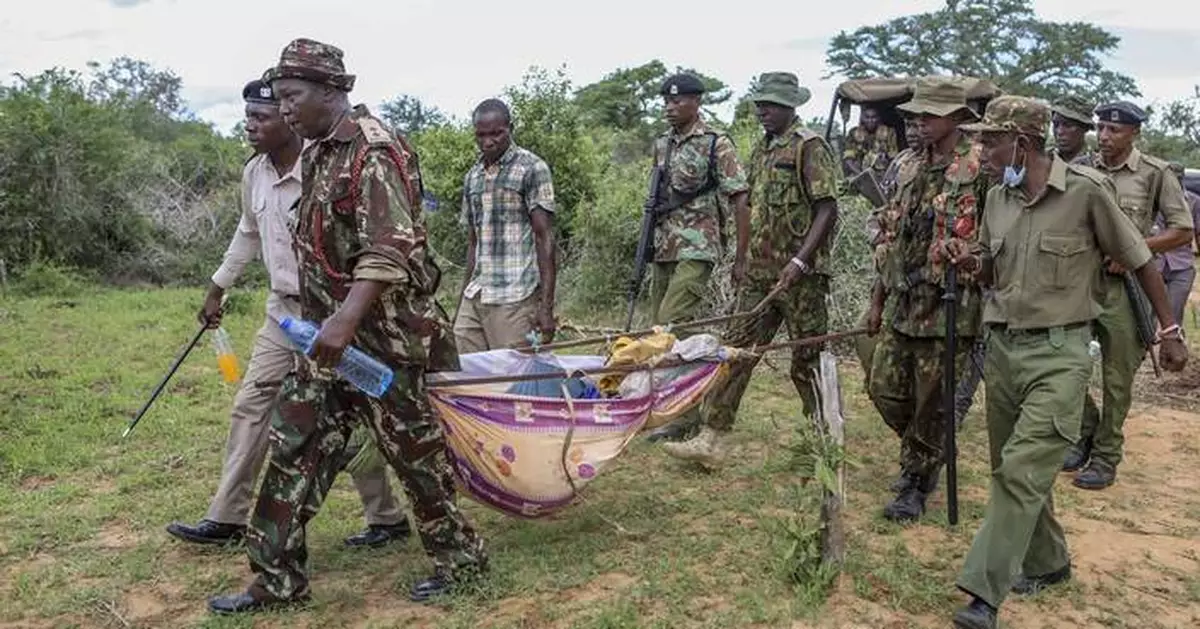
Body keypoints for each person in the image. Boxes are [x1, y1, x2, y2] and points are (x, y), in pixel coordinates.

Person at [207, 38, 486, 614]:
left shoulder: (374, 152)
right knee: (294, 444)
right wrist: (319, 326)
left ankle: (460, 559)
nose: (284, 110)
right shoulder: (317, 154)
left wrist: (343, 321)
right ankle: (276, 579)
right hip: (327, 343)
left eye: (292, 97)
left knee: (416, 457)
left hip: (385, 344)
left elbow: (391, 249)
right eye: (280, 98)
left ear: (332, 92)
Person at [950, 95, 1188, 629]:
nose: (980, 148)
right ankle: (1049, 563)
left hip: (1060, 354)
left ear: (1024, 143)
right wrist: (971, 262)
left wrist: (1169, 329)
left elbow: (1140, 259)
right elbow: (992, 269)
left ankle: (984, 595)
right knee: (1012, 468)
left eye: (990, 139)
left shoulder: (1085, 192)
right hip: (1004, 350)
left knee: (1019, 470)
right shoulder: (996, 199)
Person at [166, 78, 411, 552]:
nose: (251, 127)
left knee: (354, 414)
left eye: (261, 117)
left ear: (287, 117)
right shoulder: (254, 174)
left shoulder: (325, 165)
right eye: (248, 118)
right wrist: (217, 287)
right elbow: (247, 232)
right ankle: (227, 517)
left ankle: (386, 518)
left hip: (337, 314)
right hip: (282, 315)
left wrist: (352, 316)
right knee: (251, 405)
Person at [660, 72, 838, 468]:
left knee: (806, 360)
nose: (763, 111)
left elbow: (827, 208)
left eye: (771, 104)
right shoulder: (760, 149)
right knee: (736, 353)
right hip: (760, 274)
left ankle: (823, 442)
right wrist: (741, 260)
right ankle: (711, 439)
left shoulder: (809, 146)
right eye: (760, 104)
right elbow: (750, 208)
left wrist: (800, 261)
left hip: (801, 277)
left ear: (791, 106)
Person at [865, 77, 989, 522]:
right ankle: (927, 452)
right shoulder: (904, 165)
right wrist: (876, 300)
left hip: (949, 306)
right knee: (884, 389)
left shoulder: (979, 168)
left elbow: (994, 239)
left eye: (928, 114)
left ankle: (917, 481)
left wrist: (972, 258)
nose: (918, 121)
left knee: (934, 400)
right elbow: (889, 234)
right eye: (915, 113)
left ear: (956, 118)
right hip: (902, 299)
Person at [1066, 101, 1194, 489]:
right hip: (1078, 283)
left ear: (1134, 133)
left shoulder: (1154, 174)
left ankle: (1106, 456)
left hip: (1127, 288)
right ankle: (1084, 431)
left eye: (1114, 130)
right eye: (1101, 128)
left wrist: (1136, 248)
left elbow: (1182, 231)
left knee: (1117, 379)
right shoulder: (1079, 170)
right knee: (1065, 364)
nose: (1105, 136)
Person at [641, 73, 750, 443]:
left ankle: (687, 409)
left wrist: (741, 257)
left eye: (678, 101)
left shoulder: (715, 143)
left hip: (698, 245)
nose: (670, 107)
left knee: (672, 322)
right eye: (666, 101)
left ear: (696, 102)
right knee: (661, 328)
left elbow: (740, 198)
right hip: (664, 245)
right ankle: (677, 402)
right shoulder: (662, 144)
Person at [453, 98, 557, 352]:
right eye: (481, 135)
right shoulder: (472, 176)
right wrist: (461, 299)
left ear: (510, 128)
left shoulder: (532, 168)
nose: (488, 142)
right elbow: (473, 242)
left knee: (513, 380)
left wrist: (546, 307)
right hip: (477, 293)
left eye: (496, 134)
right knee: (463, 372)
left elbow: (545, 239)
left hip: (515, 296)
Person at [1151, 163, 1199, 333]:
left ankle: (1172, 348)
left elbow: (1197, 233)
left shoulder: (1193, 201)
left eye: (1177, 178)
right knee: (1148, 313)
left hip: (1181, 265)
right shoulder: (1151, 199)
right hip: (1153, 263)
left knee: (1173, 314)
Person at [843, 104, 900, 177]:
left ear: (878, 118)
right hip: (858, 173)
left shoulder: (889, 132)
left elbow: (893, 158)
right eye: (867, 117)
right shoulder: (854, 133)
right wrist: (861, 175)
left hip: (882, 173)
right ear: (862, 118)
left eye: (873, 117)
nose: (870, 120)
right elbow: (848, 158)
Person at [1049, 97, 1095, 165]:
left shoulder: (1097, 165)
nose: (1059, 132)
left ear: (1085, 127)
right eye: (1056, 124)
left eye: (1068, 125)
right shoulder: (1044, 161)